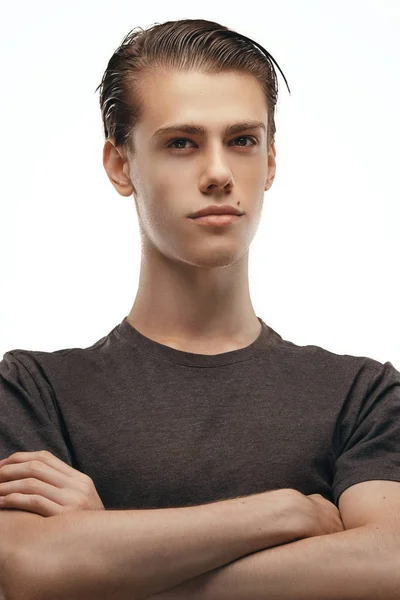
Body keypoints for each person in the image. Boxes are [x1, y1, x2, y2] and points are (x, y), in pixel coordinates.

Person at [1, 18, 400, 600]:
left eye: (242, 140)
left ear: (268, 162)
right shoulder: (34, 389)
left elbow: (387, 562)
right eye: (181, 143)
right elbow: (25, 568)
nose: (218, 173)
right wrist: (283, 513)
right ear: (120, 166)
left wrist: (107, 555)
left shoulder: (361, 393)